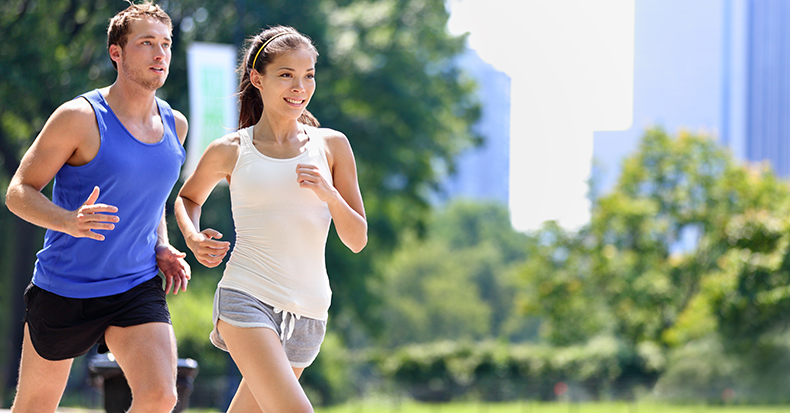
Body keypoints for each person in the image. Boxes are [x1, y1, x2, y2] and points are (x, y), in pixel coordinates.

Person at [4, 2, 190, 412]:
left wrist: (161, 245)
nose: (160, 54)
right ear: (117, 53)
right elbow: (18, 191)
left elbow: (151, 198)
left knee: (161, 396)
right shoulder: (79, 117)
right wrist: (67, 221)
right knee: (34, 407)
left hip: (135, 285)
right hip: (66, 287)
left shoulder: (175, 124)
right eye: (146, 43)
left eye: (166, 44)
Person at [174, 25, 367, 412]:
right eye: (286, 75)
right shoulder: (230, 149)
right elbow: (188, 197)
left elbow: (357, 238)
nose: (300, 87)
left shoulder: (332, 146)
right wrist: (193, 238)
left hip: (310, 310)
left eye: (308, 76)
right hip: (247, 297)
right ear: (257, 78)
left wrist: (328, 193)